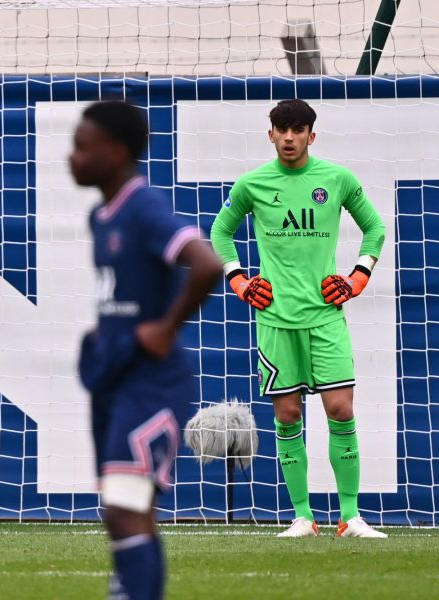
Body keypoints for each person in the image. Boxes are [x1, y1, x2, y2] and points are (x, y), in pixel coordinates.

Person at [209, 99, 387, 538]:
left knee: (340, 409)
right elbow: (219, 231)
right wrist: (239, 281)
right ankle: (303, 517)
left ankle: (351, 517)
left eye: (298, 129)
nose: (289, 137)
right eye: (281, 129)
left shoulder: (337, 179)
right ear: (270, 134)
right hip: (275, 320)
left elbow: (376, 228)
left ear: (312, 134)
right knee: (288, 417)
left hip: (325, 317)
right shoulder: (252, 184)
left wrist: (357, 277)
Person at [70, 100, 222, 599]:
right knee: (122, 508)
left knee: (124, 508)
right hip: (115, 376)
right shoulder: (101, 216)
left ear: (115, 151)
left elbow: (206, 264)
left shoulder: (143, 207)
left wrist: (165, 328)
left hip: (152, 381)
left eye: (82, 146)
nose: (72, 157)